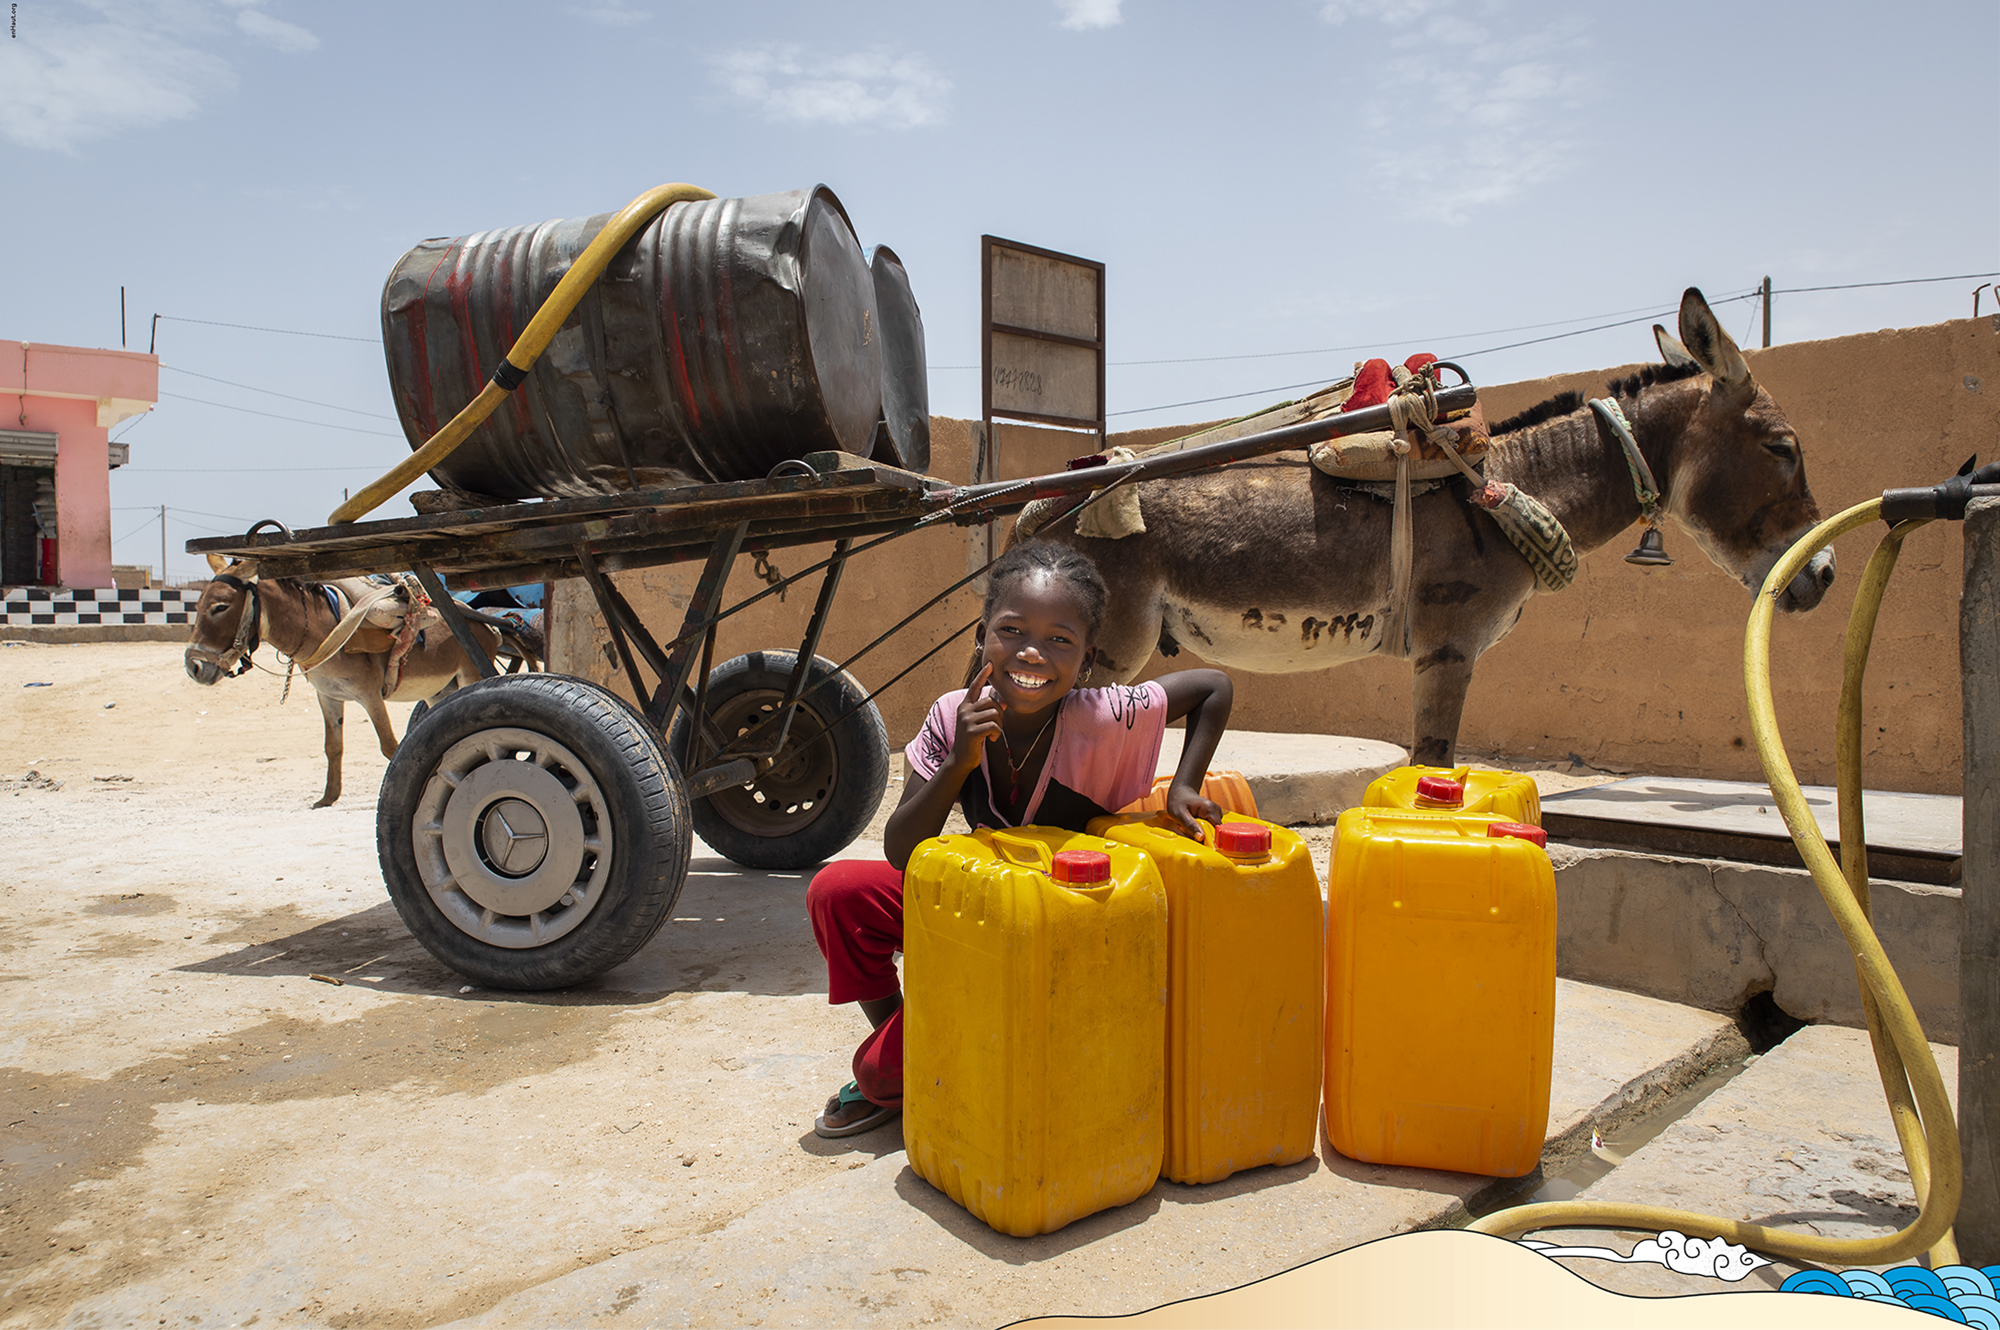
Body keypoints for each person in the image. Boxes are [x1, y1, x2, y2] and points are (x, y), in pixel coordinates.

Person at [806, 541, 1233, 1137]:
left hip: (1060, 929)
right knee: (839, 890)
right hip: (980, 910)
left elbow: (1213, 687)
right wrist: (959, 760)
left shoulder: (1106, 715)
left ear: (1086, 662)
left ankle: (909, 1064)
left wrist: (1184, 786)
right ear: (983, 637)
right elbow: (904, 852)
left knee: (879, 1075)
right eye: (1012, 630)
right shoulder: (953, 714)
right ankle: (905, 1036)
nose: (1032, 652)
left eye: (1061, 639)